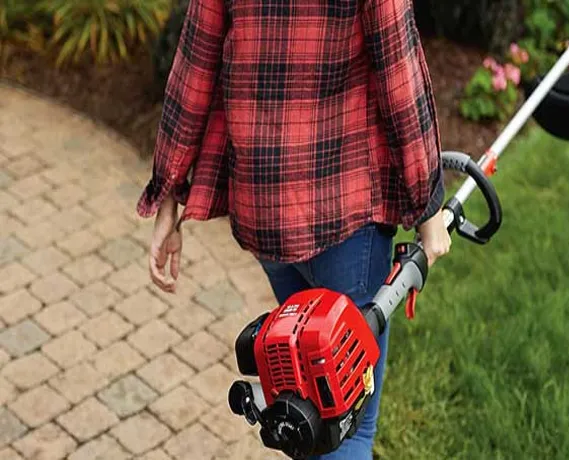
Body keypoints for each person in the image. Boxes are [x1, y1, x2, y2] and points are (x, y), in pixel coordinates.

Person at [137, 0, 451, 458]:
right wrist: (428, 210)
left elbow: (195, 60)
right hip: (345, 214)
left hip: (264, 210)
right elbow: (398, 72)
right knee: (346, 419)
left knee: (305, 395)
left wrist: (169, 188)